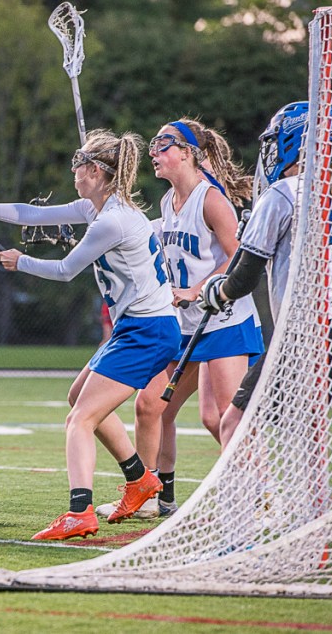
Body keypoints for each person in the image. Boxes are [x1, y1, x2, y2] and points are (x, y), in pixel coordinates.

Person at [0, 129, 180, 540]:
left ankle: (79, 511)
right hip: (140, 327)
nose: (74, 170)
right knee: (78, 398)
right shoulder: (98, 209)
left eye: (80, 164)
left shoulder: (111, 222)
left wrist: (21, 261)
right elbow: (30, 214)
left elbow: (66, 271)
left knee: (79, 420)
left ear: (97, 172)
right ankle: (140, 480)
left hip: (148, 330)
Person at [200, 101, 332, 520]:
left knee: (235, 423)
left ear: (292, 143)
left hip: (313, 327)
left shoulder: (282, 193)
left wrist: (216, 294)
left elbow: (243, 277)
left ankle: (240, 520)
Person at [96, 118, 263, 522]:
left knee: (221, 417)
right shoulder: (168, 204)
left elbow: (238, 257)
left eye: (163, 144)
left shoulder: (210, 199)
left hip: (224, 321)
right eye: (152, 144)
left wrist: (197, 288)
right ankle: (155, 496)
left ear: (188, 152)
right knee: (152, 406)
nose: (154, 151)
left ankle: (258, 497)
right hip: (185, 327)